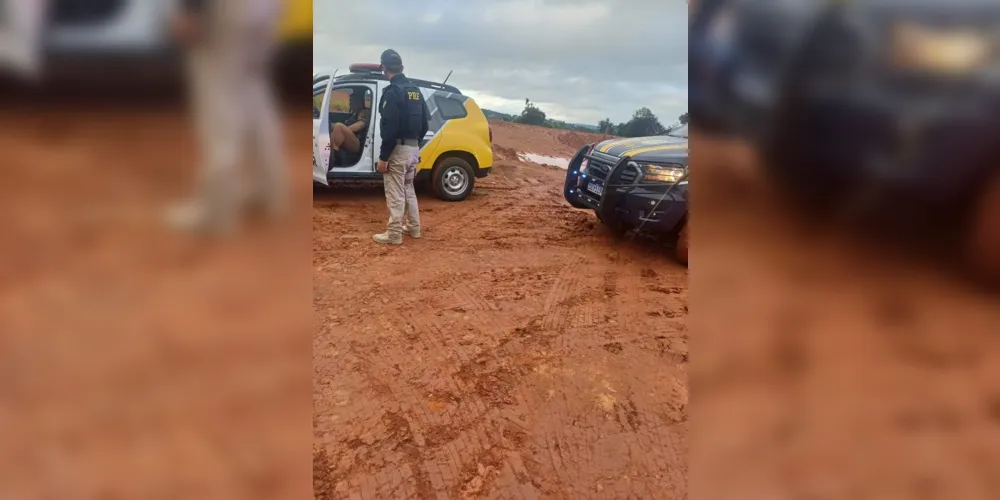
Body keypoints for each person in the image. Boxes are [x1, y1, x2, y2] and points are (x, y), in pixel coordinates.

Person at [165, 0, 286, 235]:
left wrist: (191, 9)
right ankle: (267, 190)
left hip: (226, 10)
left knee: (218, 103)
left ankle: (216, 211)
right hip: (266, 8)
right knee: (254, 88)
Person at [373, 49, 430, 245]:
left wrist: (383, 157)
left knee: (395, 192)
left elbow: (390, 128)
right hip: (413, 149)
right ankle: (414, 228)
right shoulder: (415, 91)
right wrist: (414, 144)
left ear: (383, 68)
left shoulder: (393, 92)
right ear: (402, 67)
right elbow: (425, 124)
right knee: (408, 189)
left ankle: (394, 234)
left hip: (398, 150)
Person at [331, 91, 369, 156]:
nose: (350, 103)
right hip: (352, 139)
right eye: (350, 101)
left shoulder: (364, 111)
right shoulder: (355, 113)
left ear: (358, 101)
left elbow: (361, 124)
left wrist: (344, 131)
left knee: (338, 127)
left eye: (352, 101)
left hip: (358, 143)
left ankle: (333, 155)